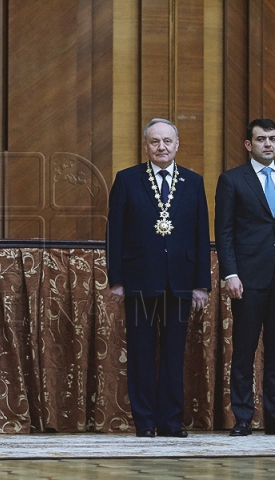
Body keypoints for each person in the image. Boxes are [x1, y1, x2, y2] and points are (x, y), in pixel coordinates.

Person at [106, 118, 211, 438]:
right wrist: (117, 280)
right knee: (140, 352)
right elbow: (114, 234)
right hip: (139, 279)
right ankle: (145, 422)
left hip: (180, 281)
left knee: (174, 354)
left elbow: (200, 234)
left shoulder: (193, 182)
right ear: (146, 145)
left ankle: (170, 421)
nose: (161, 146)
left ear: (177, 145)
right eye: (155, 141)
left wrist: (201, 283)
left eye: (167, 141)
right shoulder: (126, 180)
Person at [214, 118, 275, 436]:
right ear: (248, 145)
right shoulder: (231, 180)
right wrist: (230, 273)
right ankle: (242, 416)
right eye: (261, 139)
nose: (267, 144)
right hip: (247, 278)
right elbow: (224, 232)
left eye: (272, 138)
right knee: (243, 349)